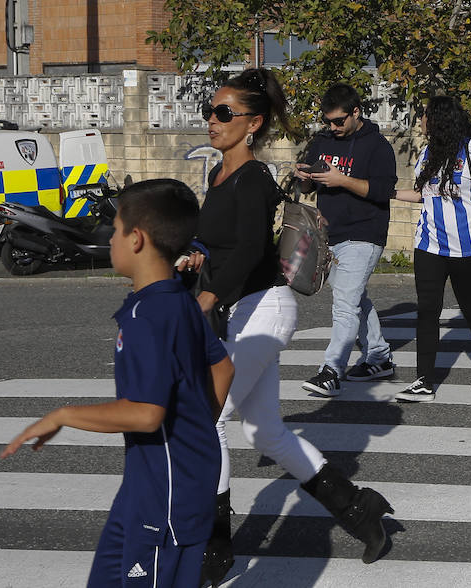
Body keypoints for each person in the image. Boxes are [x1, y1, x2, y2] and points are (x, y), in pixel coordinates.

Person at [181, 68, 392, 582]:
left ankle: (214, 548)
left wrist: (208, 294)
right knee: (265, 431)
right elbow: (220, 243)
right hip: (242, 310)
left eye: (224, 113)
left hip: (265, 309)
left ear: (251, 124)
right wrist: (194, 257)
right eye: (210, 111)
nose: (213, 120)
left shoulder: (254, 179)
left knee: (207, 416)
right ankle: (360, 510)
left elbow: (253, 247)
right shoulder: (218, 174)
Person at [2, 179, 234, 588]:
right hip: (147, 488)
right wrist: (194, 431)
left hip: (167, 498)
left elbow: (146, 414)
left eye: (115, 228)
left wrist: (62, 415)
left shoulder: (150, 316)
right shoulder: (175, 299)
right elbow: (222, 369)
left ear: (137, 239)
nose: (108, 238)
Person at [392, 95, 471, 401]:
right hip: (429, 245)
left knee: (470, 306)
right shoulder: (428, 153)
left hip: (468, 248)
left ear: (438, 119)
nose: (421, 121)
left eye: (424, 116)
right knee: (427, 311)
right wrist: (387, 193)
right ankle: (424, 380)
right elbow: (422, 194)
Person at [296, 83, 398, 398]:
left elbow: (382, 191)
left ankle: (331, 371)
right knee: (353, 298)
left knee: (344, 304)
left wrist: (342, 180)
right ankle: (379, 357)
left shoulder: (377, 146)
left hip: (365, 232)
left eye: (339, 121)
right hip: (330, 233)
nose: (333, 127)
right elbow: (308, 188)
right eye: (328, 121)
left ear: (356, 112)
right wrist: (304, 177)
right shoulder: (323, 140)